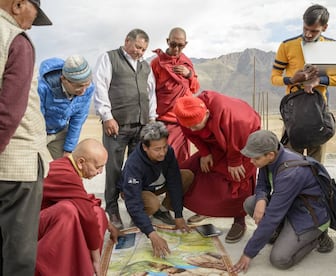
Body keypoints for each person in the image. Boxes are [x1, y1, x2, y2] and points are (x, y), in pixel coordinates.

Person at [230, 130, 333, 274]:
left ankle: (318, 236)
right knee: (251, 203)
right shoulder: (271, 157)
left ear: (270, 155)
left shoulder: (290, 173)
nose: (251, 161)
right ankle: (280, 233)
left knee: (280, 260)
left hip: (309, 216)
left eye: (255, 158)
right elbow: (262, 184)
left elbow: (272, 217)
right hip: (290, 206)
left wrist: (248, 254)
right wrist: (261, 199)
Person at [0, 1, 52, 275]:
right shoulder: (17, 40)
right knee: (19, 252)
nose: (32, 24)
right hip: (16, 165)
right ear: (18, 4)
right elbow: (10, 110)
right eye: (34, 15)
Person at [270, 4, 336, 163]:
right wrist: (292, 80)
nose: (308, 34)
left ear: (325, 27)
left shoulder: (332, 47)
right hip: (294, 112)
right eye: (305, 29)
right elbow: (274, 77)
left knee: (316, 167)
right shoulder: (287, 45)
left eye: (314, 31)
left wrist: (319, 80)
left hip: (319, 111)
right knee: (290, 165)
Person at [172, 91, 261, 243]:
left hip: (242, 143)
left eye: (195, 125)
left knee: (238, 177)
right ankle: (206, 209)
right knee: (201, 170)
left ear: (206, 114)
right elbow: (191, 133)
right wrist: (205, 152)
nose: (192, 129)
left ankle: (239, 219)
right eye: (189, 126)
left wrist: (234, 160)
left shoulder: (234, 116)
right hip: (216, 142)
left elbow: (240, 135)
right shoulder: (187, 114)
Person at [94, 28, 157, 229]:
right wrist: (107, 116)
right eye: (138, 47)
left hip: (141, 126)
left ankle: (134, 208)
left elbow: (151, 94)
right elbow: (101, 86)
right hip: (117, 125)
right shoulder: (109, 58)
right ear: (127, 41)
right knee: (113, 168)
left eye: (144, 49)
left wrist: (152, 118)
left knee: (136, 169)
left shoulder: (145, 67)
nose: (140, 52)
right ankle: (112, 209)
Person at [36, 138, 120, 276]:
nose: (100, 172)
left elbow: (84, 201)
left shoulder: (68, 167)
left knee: (97, 212)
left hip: (41, 219)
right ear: (81, 162)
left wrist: (109, 224)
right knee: (68, 210)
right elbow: (87, 216)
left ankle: (81, 266)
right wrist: (96, 259)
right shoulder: (65, 174)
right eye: (98, 167)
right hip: (28, 227)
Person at [118, 121, 191, 258]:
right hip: (137, 190)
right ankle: (140, 219)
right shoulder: (134, 164)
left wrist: (179, 215)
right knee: (151, 203)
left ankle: (163, 209)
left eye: (164, 147)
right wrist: (151, 234)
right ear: (145, 147)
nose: (163, 152)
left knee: (186, 176)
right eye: (157, 149)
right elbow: (133, 201)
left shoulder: (168, 152)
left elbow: (174, 181)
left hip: (156, 185)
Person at [151, 27, 200, 164]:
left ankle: (180, 185)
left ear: (186, 44)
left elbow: (195, 88)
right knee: (164, 157)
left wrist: (189, 74)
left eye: (181, 46)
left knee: (182, 159)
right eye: (173, 44)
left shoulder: (186, 63)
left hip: (183, 120)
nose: (177, 49)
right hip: (165, 118)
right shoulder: (157, 63)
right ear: (167, 41)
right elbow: (150, 91)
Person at [38, 54, 95, 159]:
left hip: (60, 131)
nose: (83, 91)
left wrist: (69, 149)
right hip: (39, 132)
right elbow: (36, 120)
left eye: (86, 84)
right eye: (78, 86)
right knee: (38, 167)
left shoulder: (88, 89)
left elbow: (77, 120)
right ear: (64, 79)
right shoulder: (42, 88)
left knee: (61, 167)